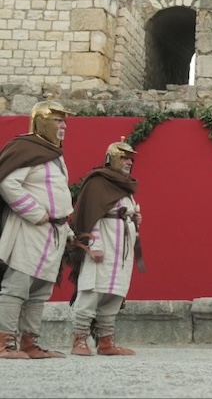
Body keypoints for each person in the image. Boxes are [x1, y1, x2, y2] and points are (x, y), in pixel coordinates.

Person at [0, 101, 76, 360]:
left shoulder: (54, 154)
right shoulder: (26, 148)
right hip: (27, 230)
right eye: (58, 120)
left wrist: (66, 229)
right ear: (42, 121)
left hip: (51, 233)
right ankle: (3, 343)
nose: (63, 126)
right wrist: (36, 212)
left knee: (40, 290)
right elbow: (8, 183)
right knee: (17, 286)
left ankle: (30, 343)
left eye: (64, 121)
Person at [67, 138, 142, 356]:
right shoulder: (98, 182)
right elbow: (91, 215)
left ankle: (106, 341)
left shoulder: (124, 186)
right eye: (124, 157)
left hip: (121, 249)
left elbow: (120, 213)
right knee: (92, 290)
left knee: (114, 293)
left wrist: (134, 219)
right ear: (113, 158)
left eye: (131, 158)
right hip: (103, 246)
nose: (129, 162)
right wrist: (94, 243)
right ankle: (79, 339)